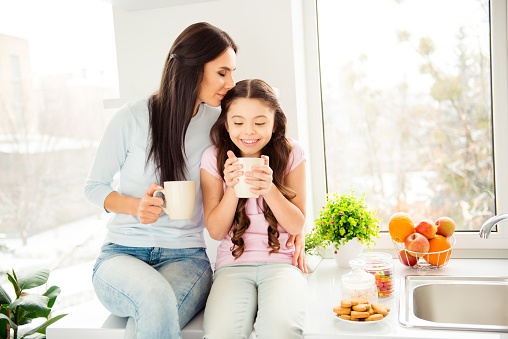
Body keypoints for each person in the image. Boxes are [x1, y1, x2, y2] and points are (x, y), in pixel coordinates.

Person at [84, 23, 305, 339]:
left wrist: (296, 230)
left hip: (186, 257)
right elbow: (93, 187)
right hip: (122, 253)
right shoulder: (131, 118)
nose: (230, 83)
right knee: (153, 298)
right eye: (222, 73)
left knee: (146, 319)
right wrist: (135, 206)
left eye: (232, 73)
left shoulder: (219, 124)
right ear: (192, 69)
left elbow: (269, 145)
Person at [201, 79, 308, 339]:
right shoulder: (213, 157)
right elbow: (215, 231)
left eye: (260, 122)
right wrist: (232, 189)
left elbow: (296, 225)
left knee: (281, 330)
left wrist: (269, 187)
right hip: (232, 266)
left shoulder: (292, 152)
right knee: (221, 333)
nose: (249, 131)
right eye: (238, 122)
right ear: (226, 124)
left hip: (283, 265)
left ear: (275, 123)